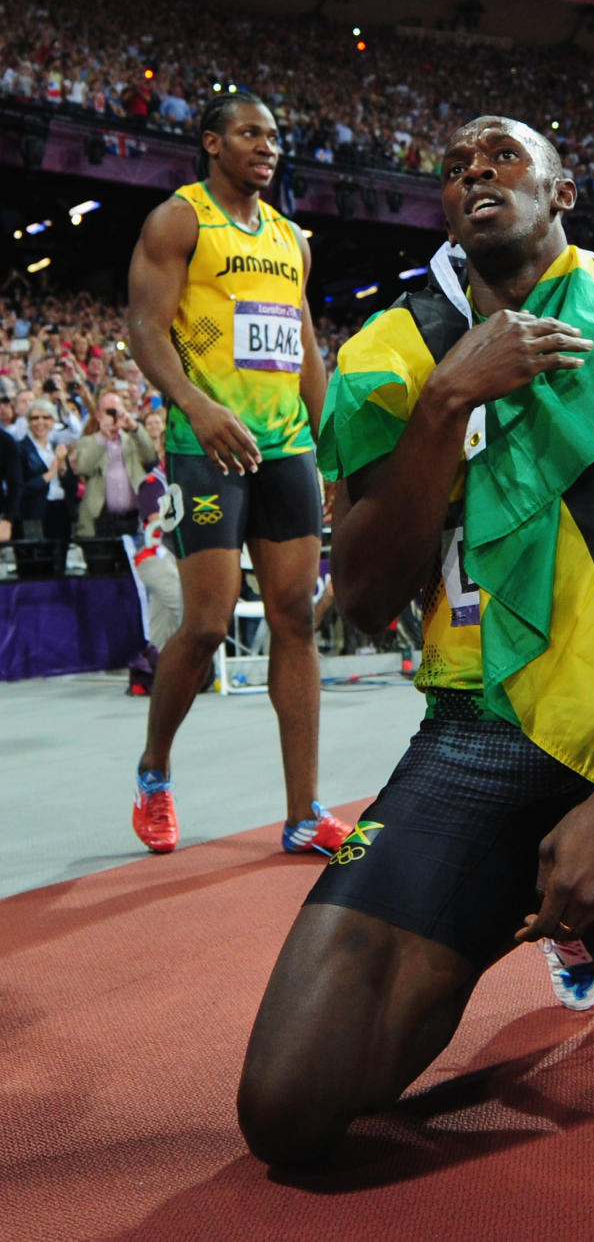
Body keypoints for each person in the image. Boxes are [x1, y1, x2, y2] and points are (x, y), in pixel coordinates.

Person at [238, 116, 594, 1196]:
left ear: (563, 189)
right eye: (456, 166)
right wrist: (450, 400)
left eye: (502, 156)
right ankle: (497, 902)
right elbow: (362, 602)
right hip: (465, 745)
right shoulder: (392, 355)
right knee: (286, 1110)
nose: (474, 173)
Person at [126, 89, 350, 859]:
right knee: (209, 623)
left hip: (285, 446)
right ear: (212, 142)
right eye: (252, 133)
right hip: (207, 441)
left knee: (295, 618)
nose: (269, 145)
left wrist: (333, 447)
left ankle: (303, 812)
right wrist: (194, 403)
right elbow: (144, 327)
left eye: (276, 136)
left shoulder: (293, 238)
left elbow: (306, 347)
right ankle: (155, 773)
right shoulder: (180, 219)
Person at [71, 390, 157, 537]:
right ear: (98, 415)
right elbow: (83, 468)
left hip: (134, 517)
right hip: (100, 519)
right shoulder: (88, 442)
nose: (113, 416)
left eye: (116, 411)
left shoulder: (133, 439)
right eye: (108, 412)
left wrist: (134, 427)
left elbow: (151, 458)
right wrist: (103, 438)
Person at [18, 398, 77, 540]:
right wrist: (50, 474)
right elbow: (19, 489)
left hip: (61, 510)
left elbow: (72, 487)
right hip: (34, 514)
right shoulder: (20, 449)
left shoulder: (58, 447)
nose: (40, 422)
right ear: (28, 422)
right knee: (37, 559)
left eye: (46, 417)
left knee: (60, 558)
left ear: (53, 421)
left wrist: (62, 465)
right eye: (35, 418)